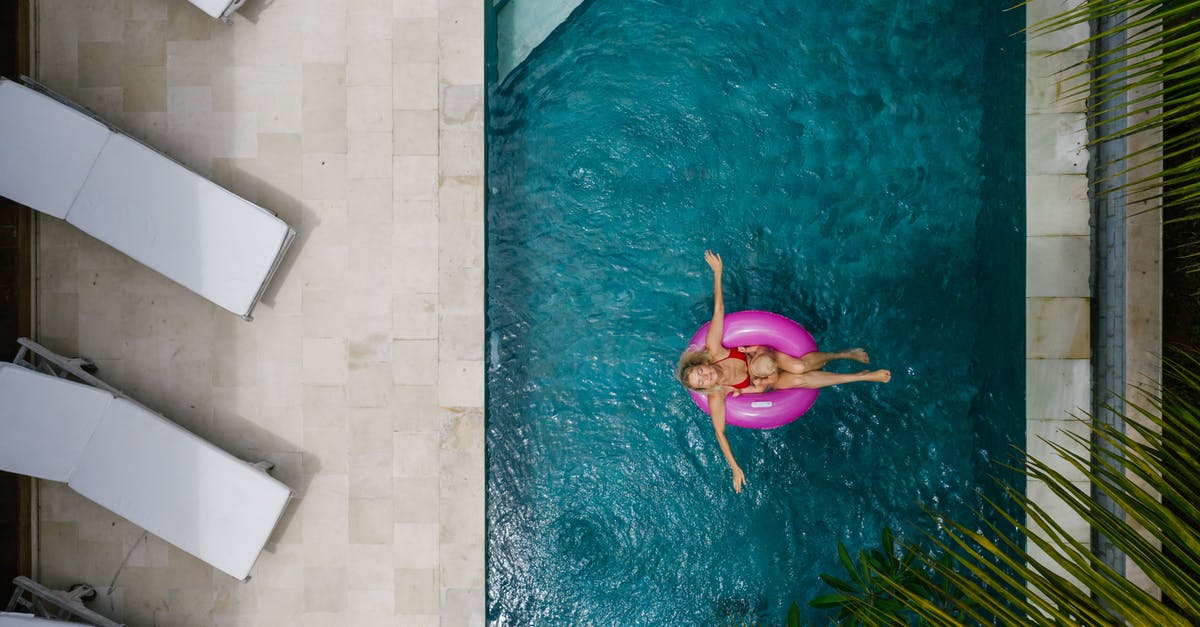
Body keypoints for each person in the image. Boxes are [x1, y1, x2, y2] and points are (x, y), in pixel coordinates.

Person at [676, 251, 891, 493]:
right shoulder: (719, 394)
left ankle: (842, 354)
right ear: (705, 389)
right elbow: (720, 432)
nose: (706, 377)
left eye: (700, 372)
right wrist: (735, 467)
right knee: (801, 378)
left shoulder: (715, 350)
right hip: (771, 381)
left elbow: (719, 311)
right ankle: (859, 377)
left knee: (799, 366)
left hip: (767, 357)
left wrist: (718, 274)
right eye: (701, 382)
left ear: (702, 363)